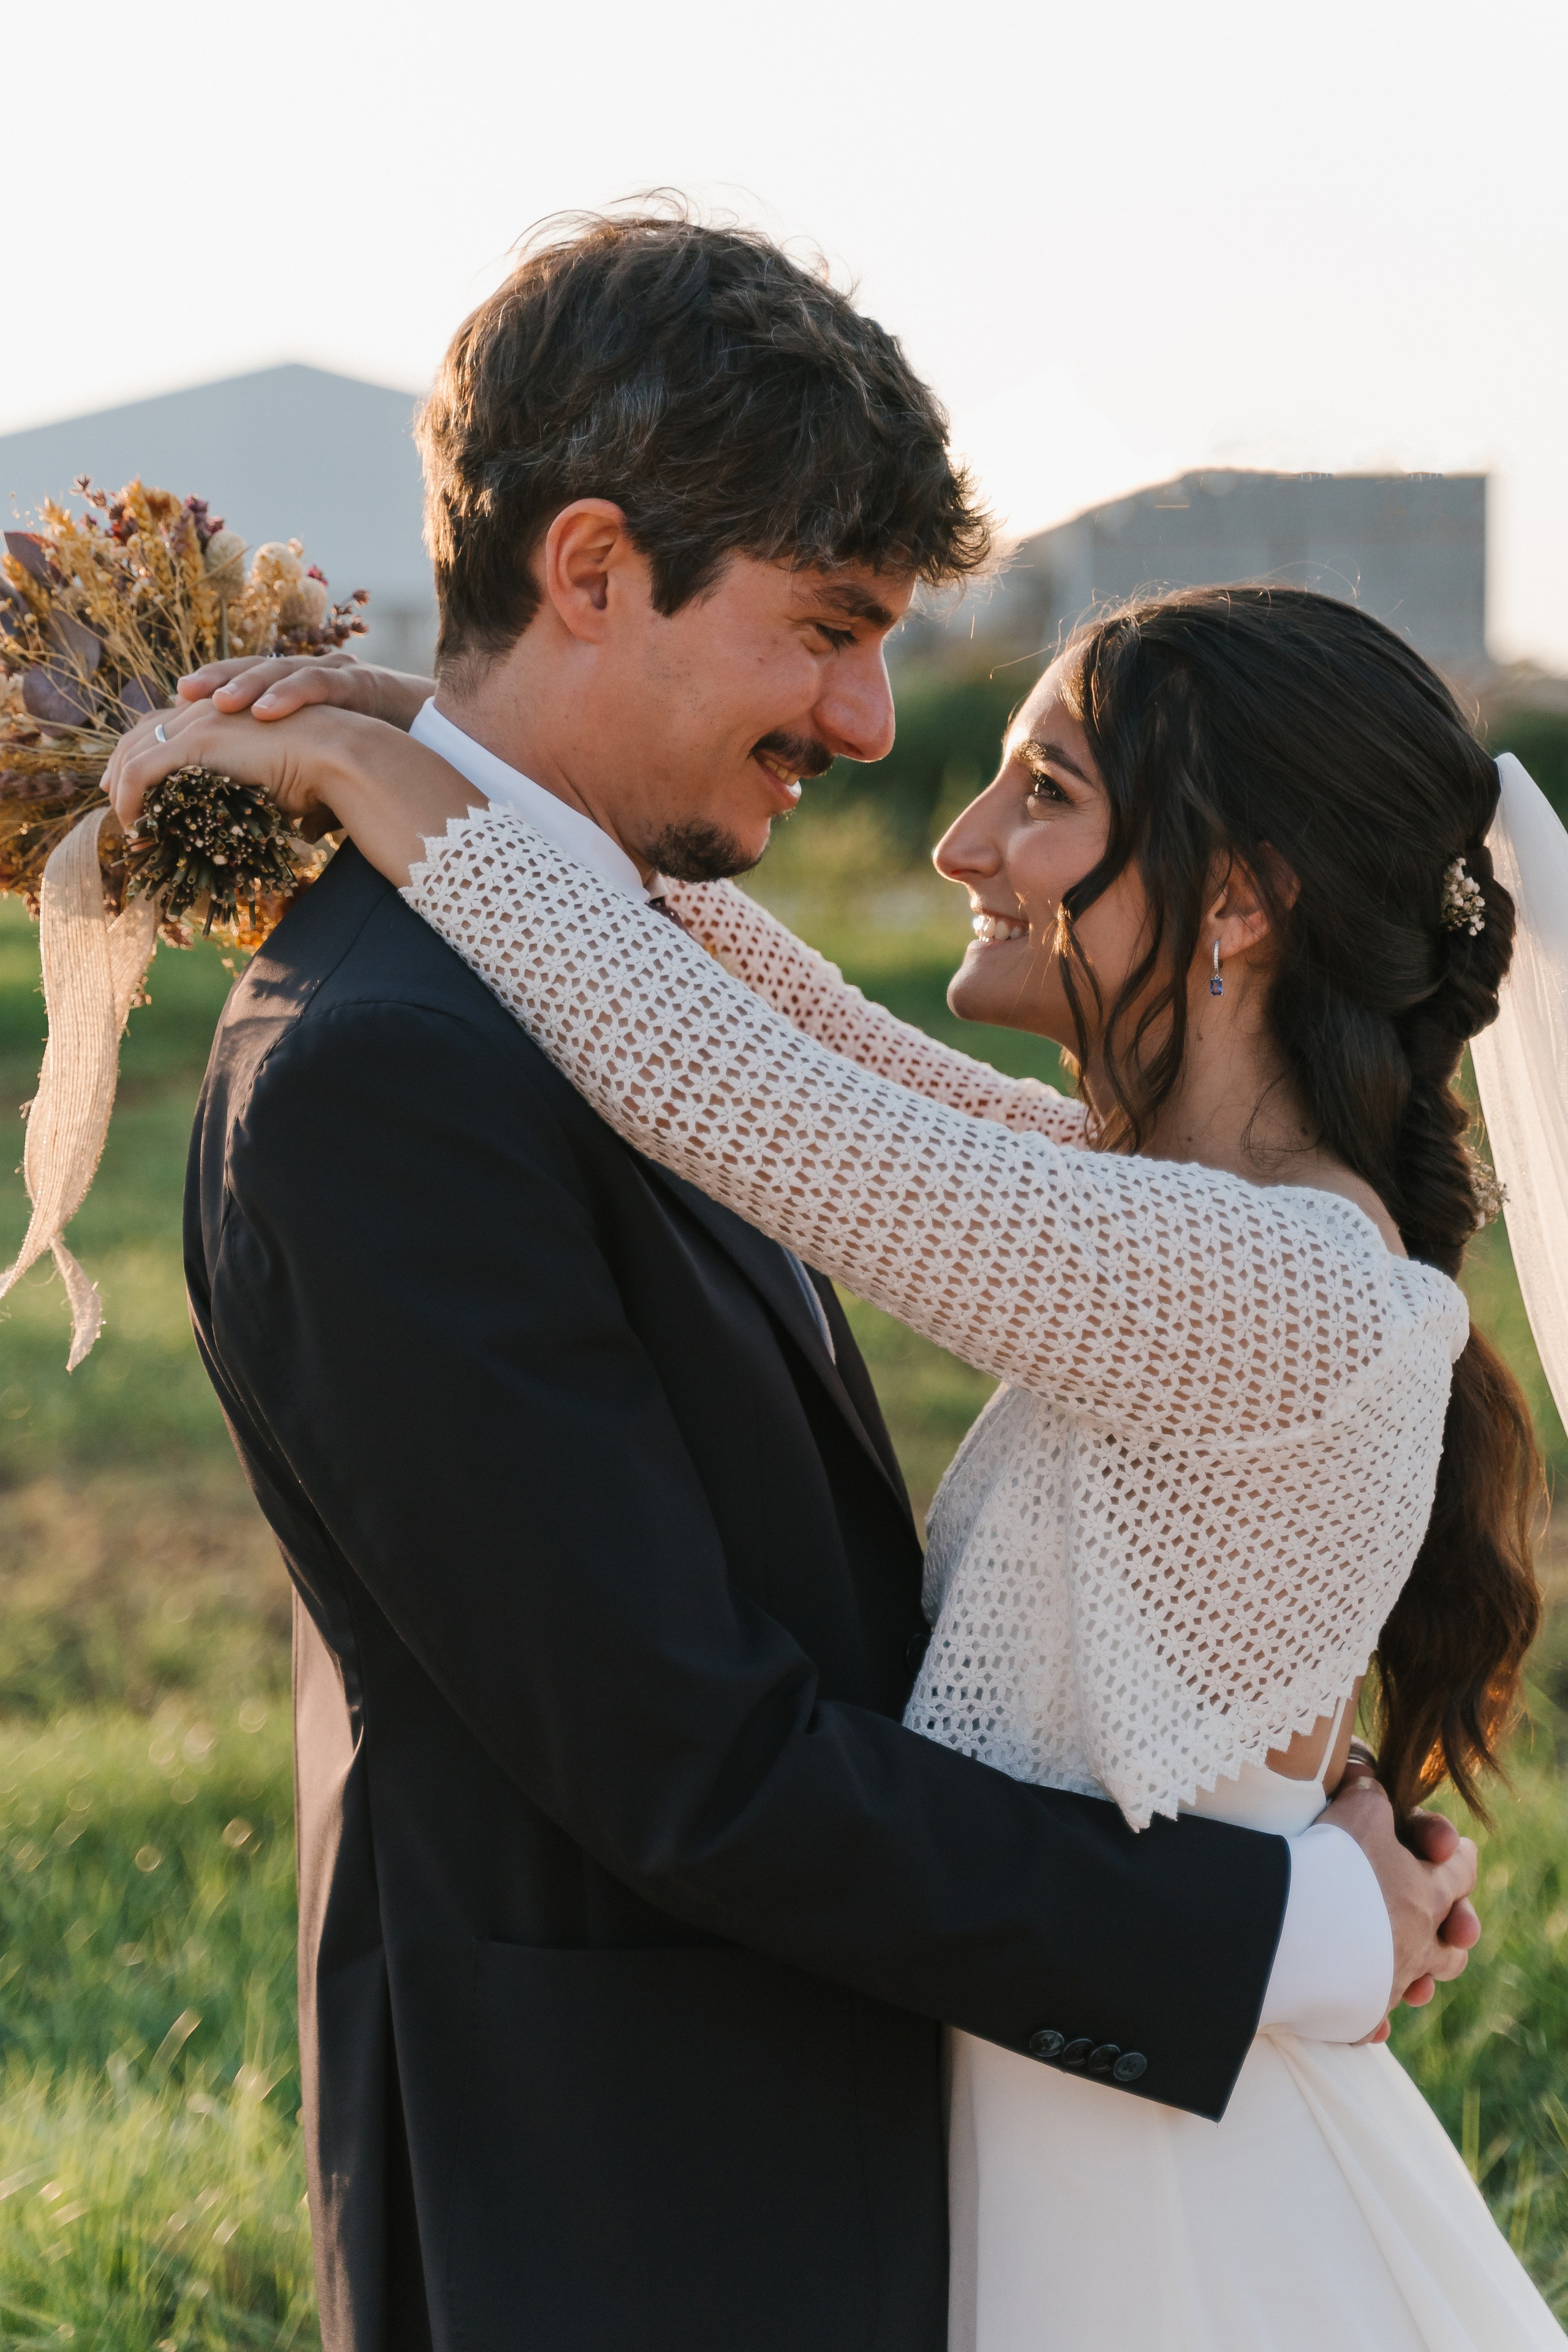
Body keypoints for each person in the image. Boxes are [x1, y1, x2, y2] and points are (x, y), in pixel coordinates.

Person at [109, 222, 1482, 2352]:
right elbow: (699, 1770)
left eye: (1041, 786)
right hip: (637, 2210)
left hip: (984, 2158)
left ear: (1242, 905)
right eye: (830, 632)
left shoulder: (657, 1018)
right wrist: (1290, 1910)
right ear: (590, 571)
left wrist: (416, 769)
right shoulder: (389, 1070)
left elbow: (782, 1077)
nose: (874, 731)